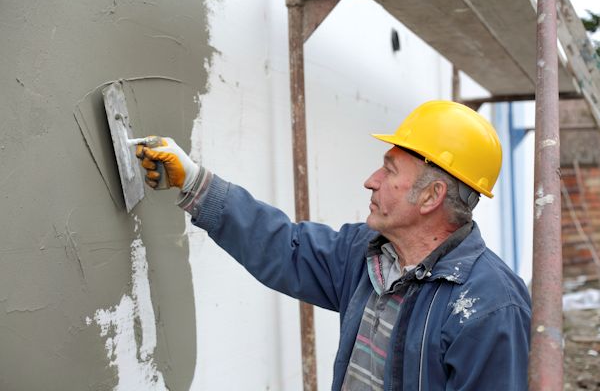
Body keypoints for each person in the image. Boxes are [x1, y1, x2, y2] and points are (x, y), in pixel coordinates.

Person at [136, 100, 531, 390]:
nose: (371, 180)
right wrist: (192, 180)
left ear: (431, 197)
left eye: (389, 170)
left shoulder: (489, 305)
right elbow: (284, 247)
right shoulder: (367, 254)